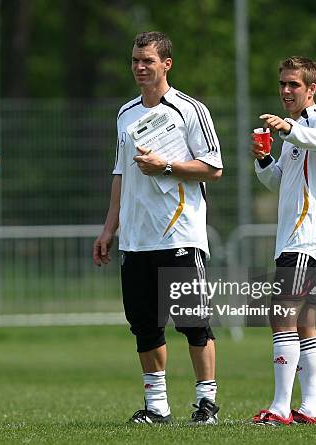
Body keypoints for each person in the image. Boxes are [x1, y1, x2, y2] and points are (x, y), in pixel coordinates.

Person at [93, 31, 223, 425]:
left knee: (193, 322)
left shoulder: (190, 110)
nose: (139, 67)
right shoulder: (125, 113)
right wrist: (108, 228)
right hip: (135, 239)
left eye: (147, 60)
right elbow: (120, 174)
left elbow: (214, 167)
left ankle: (206, 404)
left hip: (179, 235)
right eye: (135, 60)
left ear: (166, 63)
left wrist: (166, 166)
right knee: (145, 326)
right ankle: (157, 407)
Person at [251, 56, 316, 426]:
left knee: (280, 315)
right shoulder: (295, 131)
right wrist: (264, 158)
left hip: (306, 239)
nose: (286, 90)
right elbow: (279, 182)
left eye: (294, 85)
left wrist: (287, 128)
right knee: (303, 322)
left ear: (311, 89)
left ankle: (280, 408)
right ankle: (311, 408)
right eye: (283, 84)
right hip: (298, 239)